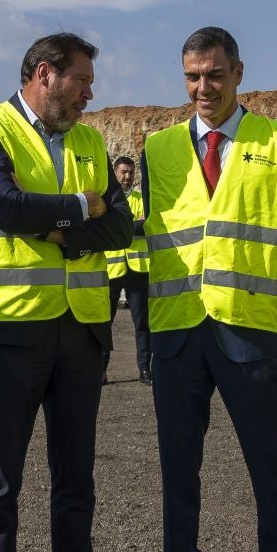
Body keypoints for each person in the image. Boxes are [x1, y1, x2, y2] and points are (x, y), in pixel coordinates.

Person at [0, 33, 134, 552]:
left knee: (75, 474)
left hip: (81, 328)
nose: (91, 92)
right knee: (2, 477)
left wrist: (61, 228)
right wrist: (79, 209)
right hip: (11, 328)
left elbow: (120, 224)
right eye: (82, 80)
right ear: (44, 75)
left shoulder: (89, 139)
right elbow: (3, 204)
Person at [142, 27, 277, 552]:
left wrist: (258, 297)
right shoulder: (157, 149)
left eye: (214, 74)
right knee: (178, 468)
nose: (203, 87)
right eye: (192, 76)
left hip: (247, 332)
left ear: (238, 73)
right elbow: (150, 244)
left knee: (269, 464)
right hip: (178, 333)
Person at [104, 154, 152, 382]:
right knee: (104, 323)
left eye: (131, 172)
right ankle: (100, 371)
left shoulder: (142, 198)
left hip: (138, 269)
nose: (127, 176)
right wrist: (133, 224)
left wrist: (125, 226)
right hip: (111, 271)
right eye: (123, 172)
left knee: (142, 324)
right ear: (114, 173)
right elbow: (107, 227)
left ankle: (145, 369)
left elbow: (147, 226)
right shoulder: (106, 200)